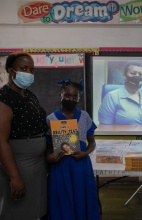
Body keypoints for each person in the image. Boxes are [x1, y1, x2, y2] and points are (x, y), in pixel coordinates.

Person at [0, 52, 48, 219]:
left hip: (38, 165)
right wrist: (15, 177)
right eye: (24, 68)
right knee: (17, 209)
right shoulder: (4, 98)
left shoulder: (29, 95)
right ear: (11, 71)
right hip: (19, 164)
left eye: (32, 70)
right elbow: (1, 141)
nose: (28, 73)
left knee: (36, 207)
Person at [46, 79, 100, 220]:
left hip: (81, 166)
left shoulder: (84, 117)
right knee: (62, 202)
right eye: (68, 95)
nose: (71, 99)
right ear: (61, 95)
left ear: (79, 98)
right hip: (60, 167)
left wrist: (85, 153)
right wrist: (50, 157)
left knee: (83, 199)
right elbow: (47, 148)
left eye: (75, 96)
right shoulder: (50, 119)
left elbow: (92, 143)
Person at [98, 61, 142, 125]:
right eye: (133, 73)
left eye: (140, 74)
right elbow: (104, 128)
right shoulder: (112, 97)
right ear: (124, 77)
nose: (137, 76)